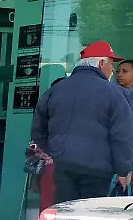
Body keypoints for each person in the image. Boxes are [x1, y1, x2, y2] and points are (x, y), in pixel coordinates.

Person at [31, 41, 133, 203]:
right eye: (111, 64)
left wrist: (56, 151)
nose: (113, 70)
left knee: (66, 211)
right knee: (91, 214)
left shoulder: (56, 89)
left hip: (64, 166)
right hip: (98, 170)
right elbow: (122, 135)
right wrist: (123, 170)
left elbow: (38, 129)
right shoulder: (115, 93)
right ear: (101, 64)